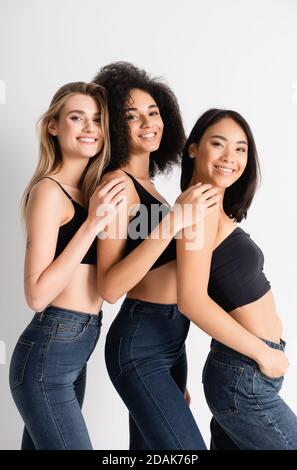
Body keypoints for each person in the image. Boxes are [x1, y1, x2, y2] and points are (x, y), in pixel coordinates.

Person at [94, 62, 219, 450]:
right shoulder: (118, 186)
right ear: (115, 125)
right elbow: (110, 286)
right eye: (132, 116)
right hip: (140, 341)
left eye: (153, 111)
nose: (148, 122)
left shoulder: (150, 186)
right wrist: (175, 220)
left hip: (171, 339)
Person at [9, 81, 126, 450]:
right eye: (78, 118)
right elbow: (37, 294)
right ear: (53, 126)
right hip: (49, 354)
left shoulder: (89, 193)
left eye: (97, 120)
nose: (90, 128)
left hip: (76, 349)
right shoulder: (49, 191)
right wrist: (92, 224)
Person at [177, 108, 297, 450]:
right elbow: (191, 299)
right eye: (218, 144)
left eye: (241, 148)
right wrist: (264, 353)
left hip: (248, 372)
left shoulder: (210, 205)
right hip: (243, 373)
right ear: (193, 148)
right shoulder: (197, 211)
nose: (231, 157)